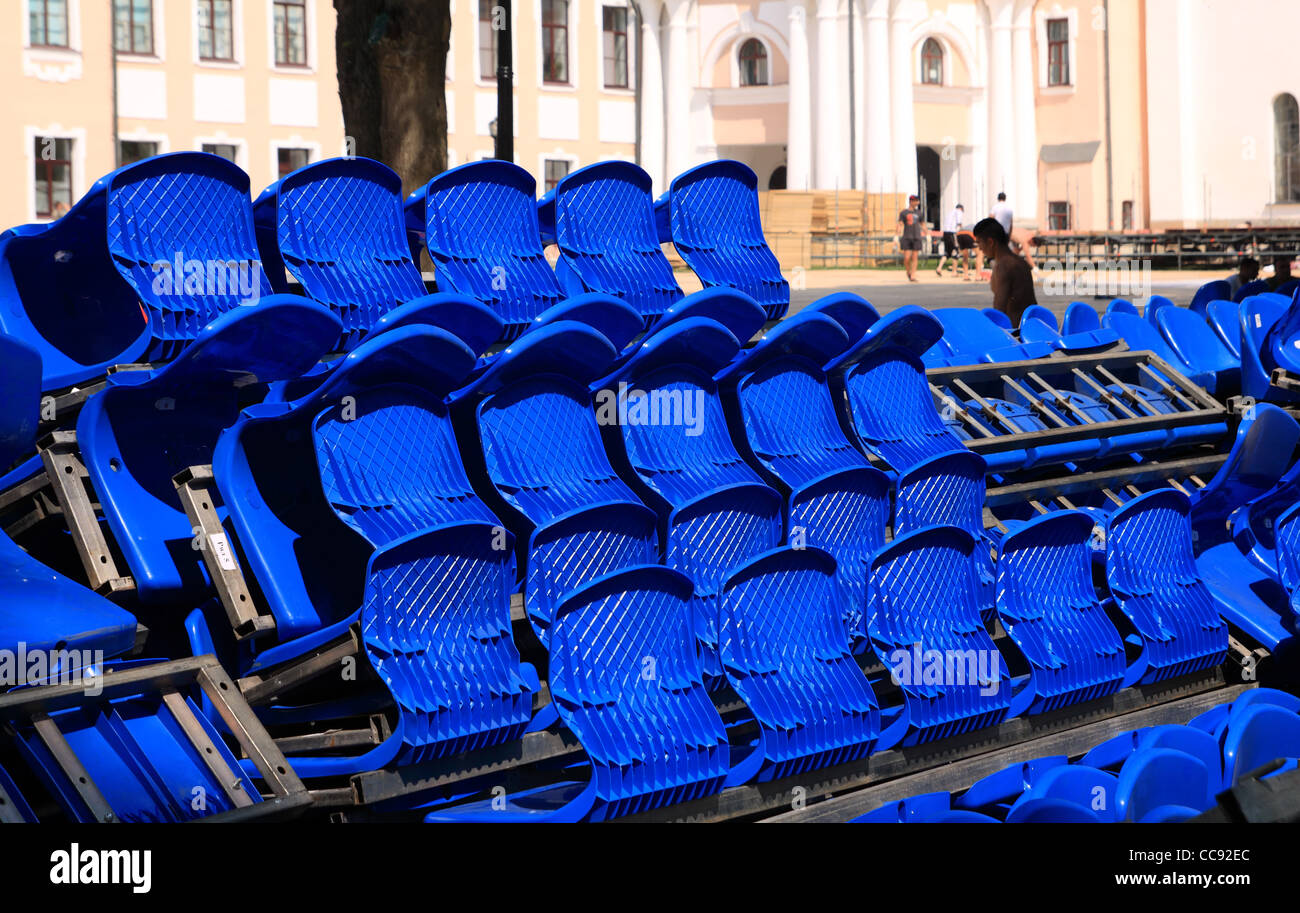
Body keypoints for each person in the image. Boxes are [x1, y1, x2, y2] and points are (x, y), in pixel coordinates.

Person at [973, 217, 1036, 328]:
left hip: (1014, 332)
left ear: (990, 242)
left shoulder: (1003, 266)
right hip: (1031, 326)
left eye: (979, 243)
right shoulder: (1022, 263)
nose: (980, 249)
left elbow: (999, 310)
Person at [896, 194, 923, 282]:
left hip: (916, 236)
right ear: (911, 201)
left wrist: (928, 234)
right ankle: (908, 271)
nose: (917, 202)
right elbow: (900, 224)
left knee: (915, 257)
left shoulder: (919, 213)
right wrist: (896, 235)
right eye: (915, 201)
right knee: (907, 258)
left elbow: (922, 224)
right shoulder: (904, 213)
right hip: (907, 237)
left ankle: (913, 275)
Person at [936, 203, 964, 277]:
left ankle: (939, 268)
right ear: (961, 209)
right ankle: (954, 272)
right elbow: (959, 223)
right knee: (956, 251)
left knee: (948, 252)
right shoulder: (959, 212)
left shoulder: (950, 212)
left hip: (945, 233)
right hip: (952, 233)